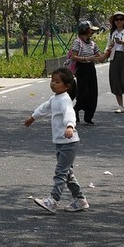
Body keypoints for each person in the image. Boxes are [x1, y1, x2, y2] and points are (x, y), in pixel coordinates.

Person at [24, 67, 89, 213]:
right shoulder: (55, 99)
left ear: (67, 85)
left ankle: (53, 200)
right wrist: (32, 117)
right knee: (67, 173)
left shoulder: (65, 100)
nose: (53, 84)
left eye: (57, 82)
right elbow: (44, 108)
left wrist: (70, 126)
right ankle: (80, 199)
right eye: (52, 81)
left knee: (60, 172)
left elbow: (69, 114)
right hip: (61, 142)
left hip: (69, 142)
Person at [68, 20, 105, 125]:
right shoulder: (77, 42)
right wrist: (86, 58)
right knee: (83, 92)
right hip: (82, 68)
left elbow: (101, 58)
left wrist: (109, 50)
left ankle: (88, 116)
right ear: (85, 30)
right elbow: (73, 57)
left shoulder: (92, 44)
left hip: (91, 68)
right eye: (90, 30)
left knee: (93, 92)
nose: (92, 33)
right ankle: (76, 109)